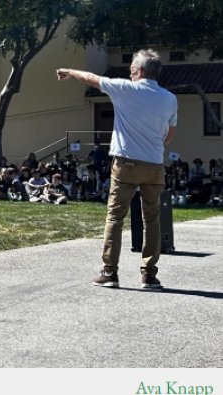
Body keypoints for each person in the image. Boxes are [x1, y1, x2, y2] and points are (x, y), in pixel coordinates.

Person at [57, 49, 177, 289]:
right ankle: (149, 275)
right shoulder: (169, 98)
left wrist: (70, 71)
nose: (129, 70)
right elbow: (169, 138)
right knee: (152, 219)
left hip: (126, 163)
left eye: (132, 67)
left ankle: (110, 272)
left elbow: (91, 78)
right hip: (154, 164)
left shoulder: (125, 89)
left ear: (140, 70)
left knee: (115, 217)